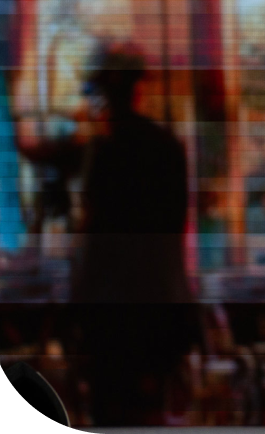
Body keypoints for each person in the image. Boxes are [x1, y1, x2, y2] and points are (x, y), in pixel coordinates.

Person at [70, 43, 195, 425]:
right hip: (158, 311)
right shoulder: (166, 148)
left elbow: (94, 237)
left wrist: (77, 311)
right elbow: (174, 233)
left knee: (112, 411)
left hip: (115, 317)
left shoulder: (106, 151)